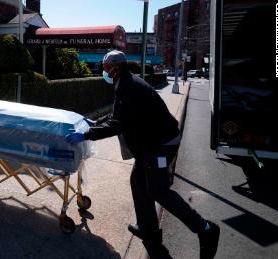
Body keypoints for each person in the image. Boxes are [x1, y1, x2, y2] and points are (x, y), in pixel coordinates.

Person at [65, 50, 220, 259]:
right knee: (138, 183)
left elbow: (117, 124)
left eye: (105, 67)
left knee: (158, 190)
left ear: (116, 67)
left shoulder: (128, 86)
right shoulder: (126, 82)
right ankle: (149, 230)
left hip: (161, 144)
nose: (104, 71)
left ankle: (206, 229)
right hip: (149, 144)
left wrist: (87, 135)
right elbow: (118, 114)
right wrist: (97, 123)